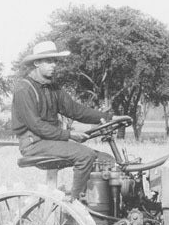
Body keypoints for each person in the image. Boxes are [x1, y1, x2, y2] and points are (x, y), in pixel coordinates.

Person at [11, 40, 117, 200]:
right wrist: (69, 135)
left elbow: (75, 110)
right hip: (34, 144)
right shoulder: (24, 90)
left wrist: (109, 118)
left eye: (55, 61)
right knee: (85, 155)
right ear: (37, 63)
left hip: (51, 141)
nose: (53, 65)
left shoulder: (53, 88)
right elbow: (37, 126)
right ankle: (74, 203)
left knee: (106, 161)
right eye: (48, 61)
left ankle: (99, 208)